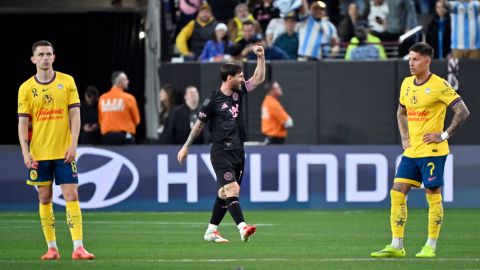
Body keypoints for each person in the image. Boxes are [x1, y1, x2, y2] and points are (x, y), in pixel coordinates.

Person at [371, 42, 470, 258]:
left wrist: (443, 135)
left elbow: (463, 111)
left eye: (415, 59)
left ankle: (430, 246)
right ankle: (397, 245)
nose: (411, 63)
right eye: (409, 59)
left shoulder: (439, 85)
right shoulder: (407, 83)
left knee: (432, 194)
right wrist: (404, 137)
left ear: (427, 61)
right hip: (412, 151)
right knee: (397, 191)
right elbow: (401, 112)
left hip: (433, 151)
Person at [177, 46, 266, 243]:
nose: (243, 79)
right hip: (221, 152)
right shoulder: (212, 100)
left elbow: (258, 79)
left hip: (238, 151)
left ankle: (211, 231)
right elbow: (199, 125)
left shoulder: (239, 91)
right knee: (232, 190)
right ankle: (242, 228)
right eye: (240, 76)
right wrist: (186, 146)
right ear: (229, 78)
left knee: (224, 193)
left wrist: (261, 57)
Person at [17, 40, 95, 260]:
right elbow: (23, 123)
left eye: (48, 54)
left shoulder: (67, 82)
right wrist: (25, 152)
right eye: (40, 54)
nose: (44, 58)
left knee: (72, 195)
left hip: (64, 152)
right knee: (45, 198)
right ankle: (52, 247)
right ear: (33, 59)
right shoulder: (25, 88)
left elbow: (75, 115)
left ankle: (78, 247)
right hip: (39, 154)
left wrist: (73, 144)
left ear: (54, 57)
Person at [98, 71, 141, 145]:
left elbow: (101, 120)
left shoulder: (102, 98)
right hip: (125, 138)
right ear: (120, 82)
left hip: (107, 138)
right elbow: (136, 120)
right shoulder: (129, 98)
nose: (128, 81)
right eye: (126, 79)